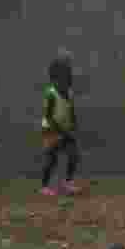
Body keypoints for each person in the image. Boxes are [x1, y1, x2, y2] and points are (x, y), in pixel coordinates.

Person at [40, 52, 80, 195]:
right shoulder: (51, 93)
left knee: (74, 155)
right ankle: (44, 187)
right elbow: (48, 117)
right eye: (62, 77)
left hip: (65, 129)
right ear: (54, 79)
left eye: (67, 77)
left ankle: (67, 183)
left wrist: (74, 124)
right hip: (51, 130)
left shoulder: (69, 93)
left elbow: (71, 110)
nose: (66, 80)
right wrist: (60, 131)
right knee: (51, 159)